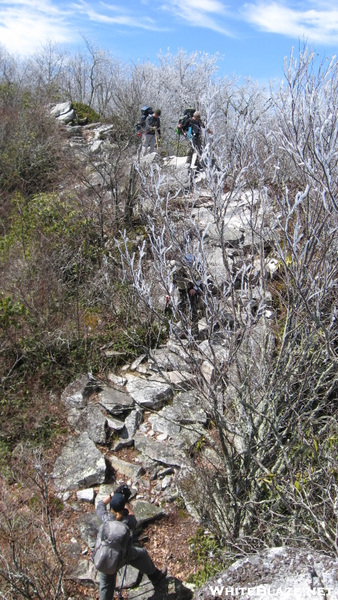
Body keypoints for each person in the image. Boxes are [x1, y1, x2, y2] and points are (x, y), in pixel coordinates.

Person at [95, 486, 167, 600]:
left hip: (103, 556)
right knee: (141, 554)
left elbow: (100, 504)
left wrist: (112, 495)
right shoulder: (126, 522)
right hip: (122, 557)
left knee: (105, 581)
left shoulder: (104, 517)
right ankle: (155, 576)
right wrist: (126, 502)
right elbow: (133, 516)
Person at [165, 254, 204, 336]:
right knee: (182, 310)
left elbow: (198, 279)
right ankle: (184, 331)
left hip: (191, 291)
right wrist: (169, 294)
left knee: (192, 311)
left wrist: (195, 289)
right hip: (181, 291)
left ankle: (194, 332)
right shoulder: (174, 274)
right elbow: (173, 284)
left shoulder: (188, 270)